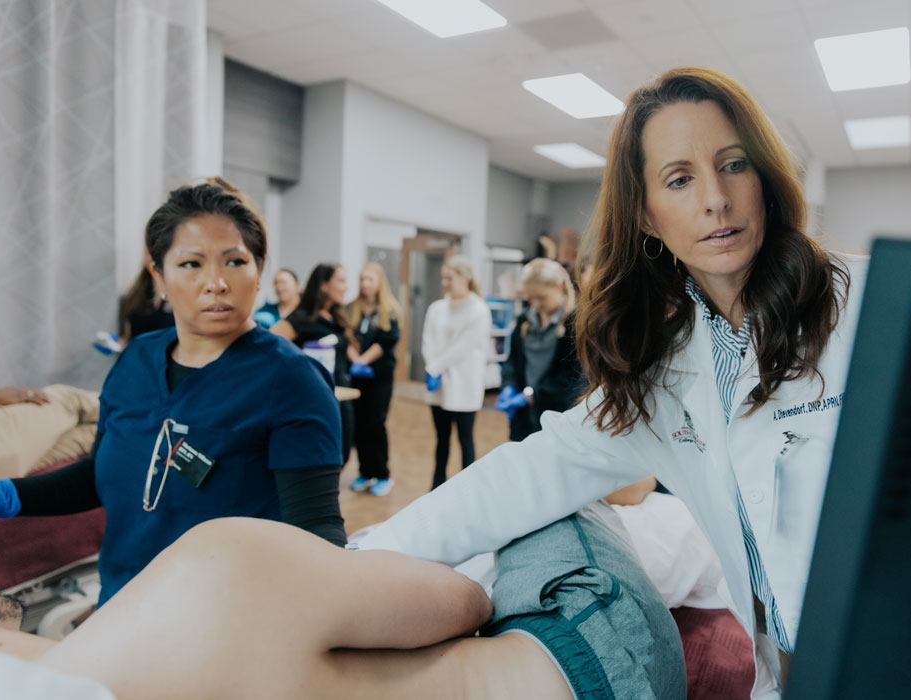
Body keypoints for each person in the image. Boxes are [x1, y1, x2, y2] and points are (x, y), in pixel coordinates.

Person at [359, 67, 866, 698]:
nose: (715, 198)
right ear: (648, 218)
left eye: (733, 164)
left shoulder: (867, 309)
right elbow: (523, 477)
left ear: (764, 178)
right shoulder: (664, 372)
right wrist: (360, 557)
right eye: (679, 179)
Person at [0, 178, 346, 606]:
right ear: (160, 275)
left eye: (234, 262)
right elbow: (107, 475)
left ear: (258, 270)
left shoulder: (291, 380)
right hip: (122, 607)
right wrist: (7, 494)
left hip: (226, 623)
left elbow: (317, 536)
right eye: (191, 264)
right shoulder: (137, 360)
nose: (216, 282)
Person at [0, 507, 685, 700]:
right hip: (603, 670)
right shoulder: (218, 569)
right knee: (564, 501)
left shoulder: (78, 668)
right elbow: (466, 602)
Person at [272, 263, 356, 464]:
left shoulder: (336, 317)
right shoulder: (303, 317)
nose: (346, 287)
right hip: (316, 400)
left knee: (343, 454)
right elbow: (270, 345)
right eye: (341, 281)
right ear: (324, 285)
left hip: (342, 396)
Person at [421, 254, 492, 490]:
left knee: (465, 440)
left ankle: (467, 489)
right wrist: (432, 367)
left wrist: (435, 367)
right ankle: (436, 486)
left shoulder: (479, 310)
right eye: (443, 278)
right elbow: (427, 340)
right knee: (441, 440)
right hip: (438, 384)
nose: (444, 283)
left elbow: (464, 347)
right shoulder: (437, 308)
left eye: (449, 278)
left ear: (465, 278)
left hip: (464, 386)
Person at [495, 258, 585, 442]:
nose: (535, 304)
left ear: (558, 287)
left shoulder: (577, 324)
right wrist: (509, 386)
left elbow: (574, 377)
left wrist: (533, 395)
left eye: (541, 297)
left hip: (559, 414)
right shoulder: (523, 321)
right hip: (524, 417)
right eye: (530, 298)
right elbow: (512, 361)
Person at [345, 262, 401, 496]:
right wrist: (354, 358)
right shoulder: (351, 309)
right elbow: (346, 337)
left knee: (375, 423)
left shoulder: (390, 311)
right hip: (357, 379)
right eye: (362, 279)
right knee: (358, 424)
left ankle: (382, 474)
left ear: (379, 283)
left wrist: (363, 360)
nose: (365, 284)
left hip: (380, 377)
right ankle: (365, 472)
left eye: (370, 279)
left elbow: (385, 342)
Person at [120, 261, 175, 341]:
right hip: (138, 350)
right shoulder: (135, 295)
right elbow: (126, 337)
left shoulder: (177, 294)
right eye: (147, 252)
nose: (150, 257)